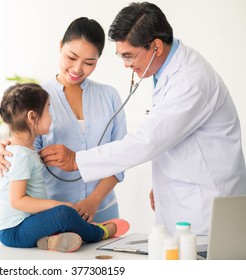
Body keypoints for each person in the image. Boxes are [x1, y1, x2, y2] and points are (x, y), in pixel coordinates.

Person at [39, 2, 246, 236]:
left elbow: (148, 141)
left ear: (156, 47)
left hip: (206, 205)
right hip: (184, 199)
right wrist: (163, 182)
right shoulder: (168, 71)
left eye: (129, 56)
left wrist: (78, 160)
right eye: (121, 56)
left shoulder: (191, 81)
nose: (127, 65)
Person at [0, 17, 127, 223]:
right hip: (54, 214)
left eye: (89, 63)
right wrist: (7, 149)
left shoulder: (110, 97)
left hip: (104, 210)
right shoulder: (38, 99)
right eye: (71, 57)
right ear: (60, 46)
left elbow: (120, 157)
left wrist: (93, 200)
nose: (77, 69)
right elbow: (25, 149)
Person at [0, 83, 129, 252]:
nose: (51, 116)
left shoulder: (26, 151)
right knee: (63, 214)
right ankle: (100, 232)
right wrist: (57, 205)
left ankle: (49, 242)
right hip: (15, 230)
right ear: (32, 117)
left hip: (28, 224)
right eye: (48, 110)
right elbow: (17, 201)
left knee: (61, 216)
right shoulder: (21, 155)